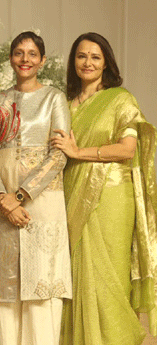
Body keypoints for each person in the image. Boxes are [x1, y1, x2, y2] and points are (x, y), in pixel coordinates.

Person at [52, 32, 157, 345]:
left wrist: (78, 152)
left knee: (108, 272)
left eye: (95, 57)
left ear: (106, 63)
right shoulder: (64, 105)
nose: (88, 62)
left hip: (111, 197)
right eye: (81, 56)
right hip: (71, 191)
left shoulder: (120, 99)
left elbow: (127, 149)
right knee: (76, 271)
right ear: (73, 61)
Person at [0, 31, 72, 345]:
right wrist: (3, 199)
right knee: (2, 290)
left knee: (40, 289)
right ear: (10, 58)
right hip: (0, 204)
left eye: (32, 54)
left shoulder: (54, 98)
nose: (25, 59)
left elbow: (59, 154)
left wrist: (19, 197)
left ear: (42, 61)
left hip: (41, 203)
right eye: (19, 52)